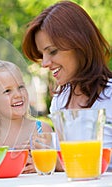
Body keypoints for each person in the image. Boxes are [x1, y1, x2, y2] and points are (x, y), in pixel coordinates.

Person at [22, 1, 112, 170]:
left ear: (80, 45)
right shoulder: (60, 100)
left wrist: (56, 163)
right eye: (42, 54)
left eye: (52, 51)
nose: (45, 63)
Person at [0, 60, 58, 173]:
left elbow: (61, 165)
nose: (18, 94)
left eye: (20, 87)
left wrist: (43, 162)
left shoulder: (42, 130)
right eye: (7, 91)